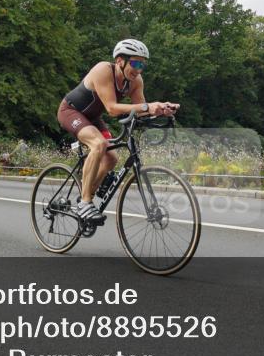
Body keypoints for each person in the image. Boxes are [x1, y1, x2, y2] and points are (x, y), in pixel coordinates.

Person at [57, 39, 178, 222]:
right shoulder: (103, 70)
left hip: (93, 118)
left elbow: (141, 111)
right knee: (98, 145)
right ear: (120, 61)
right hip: (71, 111)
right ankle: (85, 203)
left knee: (111, 158)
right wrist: (148, 106)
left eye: (142, 65)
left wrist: (161, 109)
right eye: (135, 64)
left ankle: (86, 195)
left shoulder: (136, 81)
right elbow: (112, 109)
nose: (138, 70)